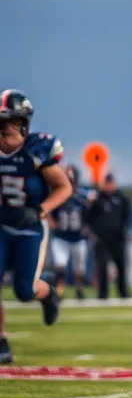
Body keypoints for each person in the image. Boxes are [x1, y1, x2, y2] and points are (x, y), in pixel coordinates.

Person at [0, 90, 71, 363]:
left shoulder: (36, 150)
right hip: (3, 224)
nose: (5, 127)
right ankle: (2, 343)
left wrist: (40, 210)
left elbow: (63, 188)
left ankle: (47, 292)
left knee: (23, 290)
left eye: (11, 120)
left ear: (23, 122)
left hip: (31, 228)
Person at [85, 173, 132, 299]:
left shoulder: (121, 198)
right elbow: (88, 217)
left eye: (110, 183)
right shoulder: (97, 199)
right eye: (107, 183)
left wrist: (123, 230)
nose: (109, 185)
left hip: (117, 238)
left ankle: (123, 292)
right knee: (102, 265)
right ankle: (103, 293)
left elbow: (127, 216)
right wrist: (90, 203)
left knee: (121, 265)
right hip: (101, 238)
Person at [50, 164, 91, 300]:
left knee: (79, 268)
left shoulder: (82, 196)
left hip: (78, 237)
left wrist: (87, 226)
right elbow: (49, 209)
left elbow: (90, 213)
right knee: (60, 265)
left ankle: (79, 289)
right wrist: (52, 222)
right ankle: (59, 291)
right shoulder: (57, 194)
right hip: (61, 237)